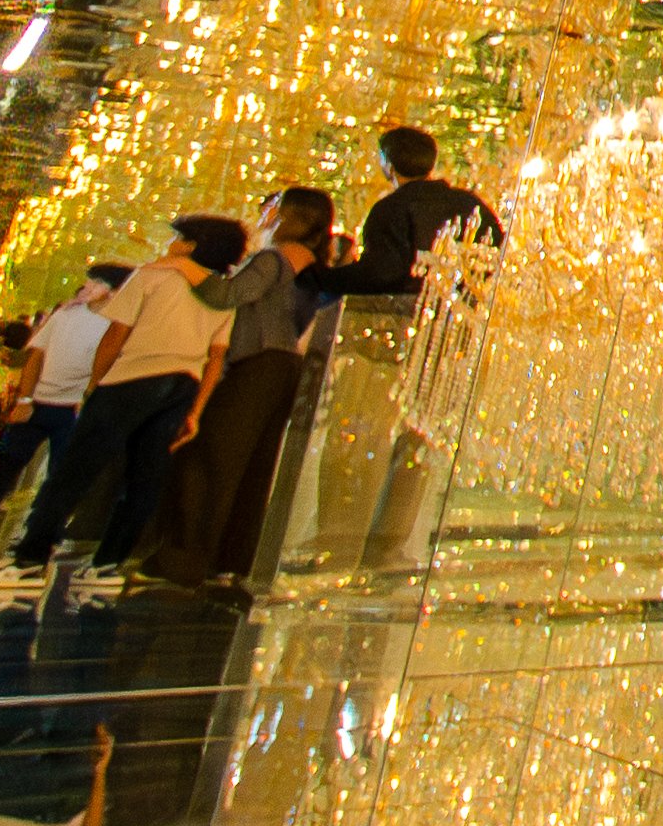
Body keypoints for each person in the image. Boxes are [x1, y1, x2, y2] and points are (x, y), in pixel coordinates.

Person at [5, 219, 246, 573]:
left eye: (179, 238)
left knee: (77, 467)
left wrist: (96, 385)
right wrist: (195, 410)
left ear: (194, 244)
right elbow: (215, 357)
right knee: (145, 478)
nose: (171, 242)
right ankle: (109, 564)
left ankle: (31, 554)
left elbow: (115, 336)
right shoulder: (222, 294)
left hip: (132, 378)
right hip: (183, 385)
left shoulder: (152, 276)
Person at [164, 188, 339, 584]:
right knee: (253, 469)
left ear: (288, 215)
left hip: (257, 361)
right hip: (284, 365)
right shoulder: (315, 265)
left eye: (273, 208)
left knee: (211, 459)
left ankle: (186, 558)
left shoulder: (273, 258)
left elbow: (231, 296)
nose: (264, 214)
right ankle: (231, 559)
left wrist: (184, 267)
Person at [0, 263, 130, 547]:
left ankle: (42, 533)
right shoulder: (64, 315)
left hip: (74, 407)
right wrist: (25, 399)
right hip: (40, 402)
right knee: (4, 462)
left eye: (95, 283)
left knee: (62, 473)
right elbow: (35, 356)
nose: (87, 288)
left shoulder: (117, 328)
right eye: (88, 282)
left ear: (113, 291)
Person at [314, 124, 499, 302]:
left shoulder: (390, 209)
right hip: (466, 312)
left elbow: (380, 274)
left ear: (389, 166)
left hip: (407, 316)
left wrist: (320, 279)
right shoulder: (469, 203)